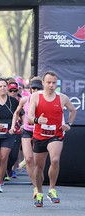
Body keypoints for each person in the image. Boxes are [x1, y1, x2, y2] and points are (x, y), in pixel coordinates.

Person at [28, 71, 76, 207]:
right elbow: (30, 117)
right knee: (39, 167)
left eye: (54, 83)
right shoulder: (35, 97)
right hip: (39, 135)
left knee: (55, 160)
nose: (51, 85)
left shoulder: (62, 98)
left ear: (57, 84)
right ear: (43, 83)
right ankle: (39, 192)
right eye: (48, 82)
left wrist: (69, 124)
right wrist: (38, 119)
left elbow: (73, 111)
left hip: (56, 134)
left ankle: (52, 189)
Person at [9, 77, 43, 198]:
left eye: (38, 88)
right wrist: (14, 126)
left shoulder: (45, 100)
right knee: (28, 159)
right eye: (33, 88)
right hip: (27, 131)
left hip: (40, 132)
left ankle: (39, 185)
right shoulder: (24, 99)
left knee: (38, 163)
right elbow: (16, 113)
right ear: (29, 89)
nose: (35, 90)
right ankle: (35, 188)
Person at [0, 78, 22, 193]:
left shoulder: (13, 101)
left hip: (8, 133)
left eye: (4, 86)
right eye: (0, 86)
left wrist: (19, 126)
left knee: (3, 158)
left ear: (7, 88)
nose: (2, 88)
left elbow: (19, 115)